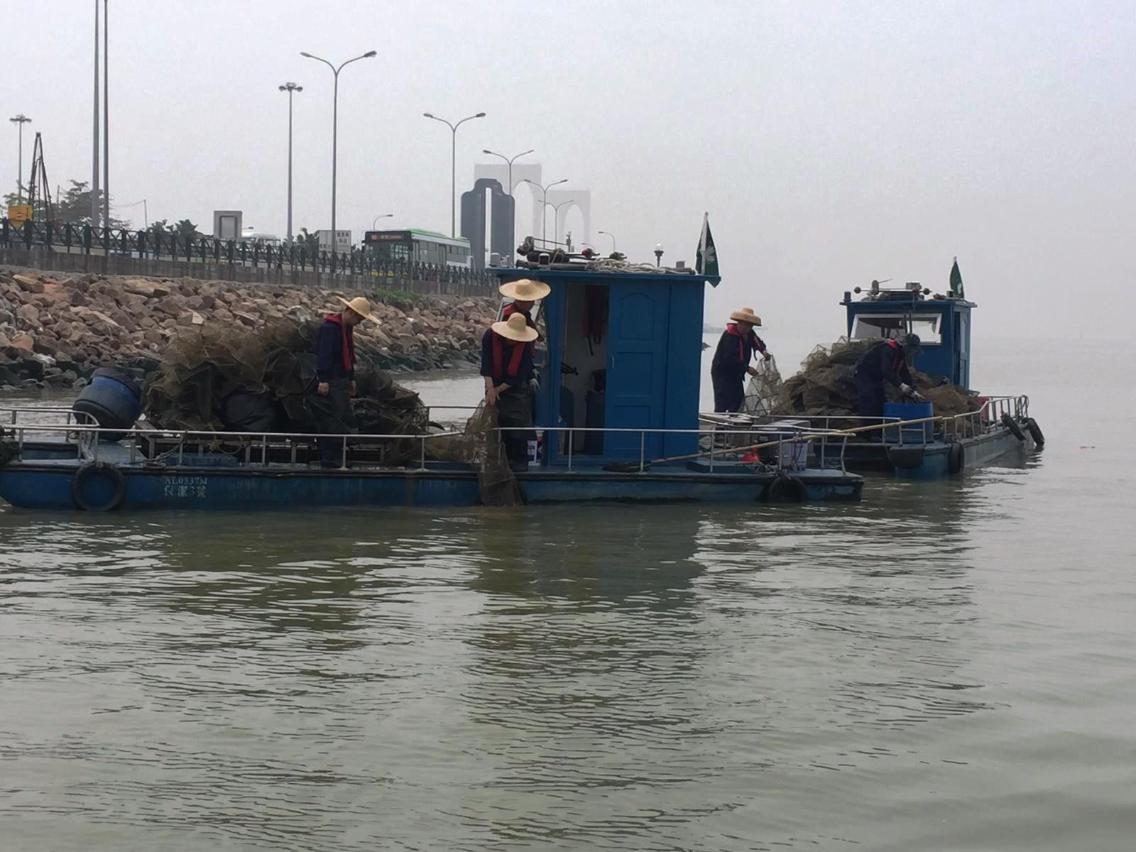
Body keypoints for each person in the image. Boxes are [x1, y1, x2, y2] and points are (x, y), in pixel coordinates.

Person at [312, 296, 379, 468]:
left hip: (342, 379)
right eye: (359, 318)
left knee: (342, 416)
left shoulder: (346, 328)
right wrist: (323, 379)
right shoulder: (330, 328)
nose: (359, 322)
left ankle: (337, 455)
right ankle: (329, 459)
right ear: (351, 313)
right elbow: (324, 355)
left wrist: (351, 378)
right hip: (331, 380)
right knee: (332, 419)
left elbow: (348, 354)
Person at [481, 311, 539, 472]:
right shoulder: (490, 336)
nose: (514, 340)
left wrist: (498, 390)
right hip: (494, 382)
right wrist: (490, 389)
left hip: (516, 387)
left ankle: (519, 462)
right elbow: (486, 364)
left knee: (517, 425)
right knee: (497, 422)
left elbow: (519, 375)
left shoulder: (524, 347)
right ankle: (499, 460)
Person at [710, 307, 772, 413]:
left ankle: (733, 421)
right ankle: (719, 422)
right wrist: (747, 368)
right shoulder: (729, 335)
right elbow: (728, 358)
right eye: (744, 324)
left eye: (749, 325)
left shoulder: (750, 333)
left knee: (738, 401)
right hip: (722, 372)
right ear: (738, 322)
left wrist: (764, 351)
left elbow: (758, 342)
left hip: (737, 373)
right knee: (722, 401)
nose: (746, 327)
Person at [854, 333, 924, 422]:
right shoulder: (888, 349)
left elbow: (904, 373)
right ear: (906, 346)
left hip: (877, 378)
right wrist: (901, 385)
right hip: (864, 375)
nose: (911, 353)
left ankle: (879, 427)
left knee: (880, 401)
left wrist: (913, 390)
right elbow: (886, 370)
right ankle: (867, 428)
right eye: (911, 350)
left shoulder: (900, 354)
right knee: (869, 400)